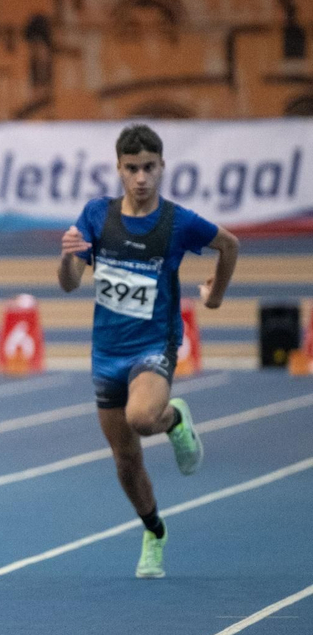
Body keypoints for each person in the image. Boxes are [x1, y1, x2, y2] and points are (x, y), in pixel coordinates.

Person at [58, 123, 239, 580]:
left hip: (154, 344)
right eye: (132, 168)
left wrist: (215, 295)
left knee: (142, 418)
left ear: (162, 168)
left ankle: (172, 417)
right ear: (118, 169)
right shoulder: (97, 216)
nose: (141, 177)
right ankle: (154, 531)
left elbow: (229, 244)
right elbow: (68, 283)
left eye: (150, 168)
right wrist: (66, 258)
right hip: (107, 353)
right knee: (125, 459)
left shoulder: (178, 222)